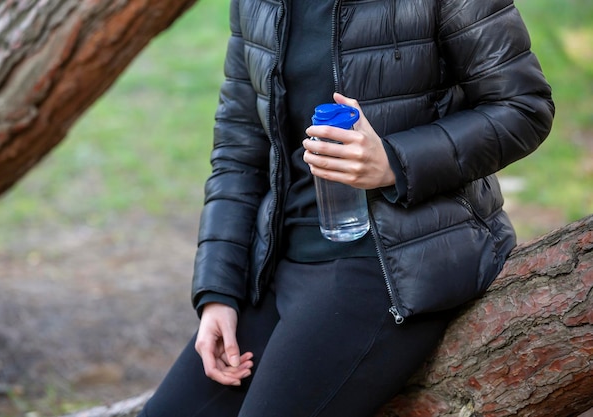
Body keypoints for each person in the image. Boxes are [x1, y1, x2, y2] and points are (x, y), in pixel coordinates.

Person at [138, 0, 554, 416]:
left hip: (395, 261)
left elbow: (523, 108)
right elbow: (239, 149)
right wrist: (219, 292)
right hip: (277, 262)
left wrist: (394, 162)